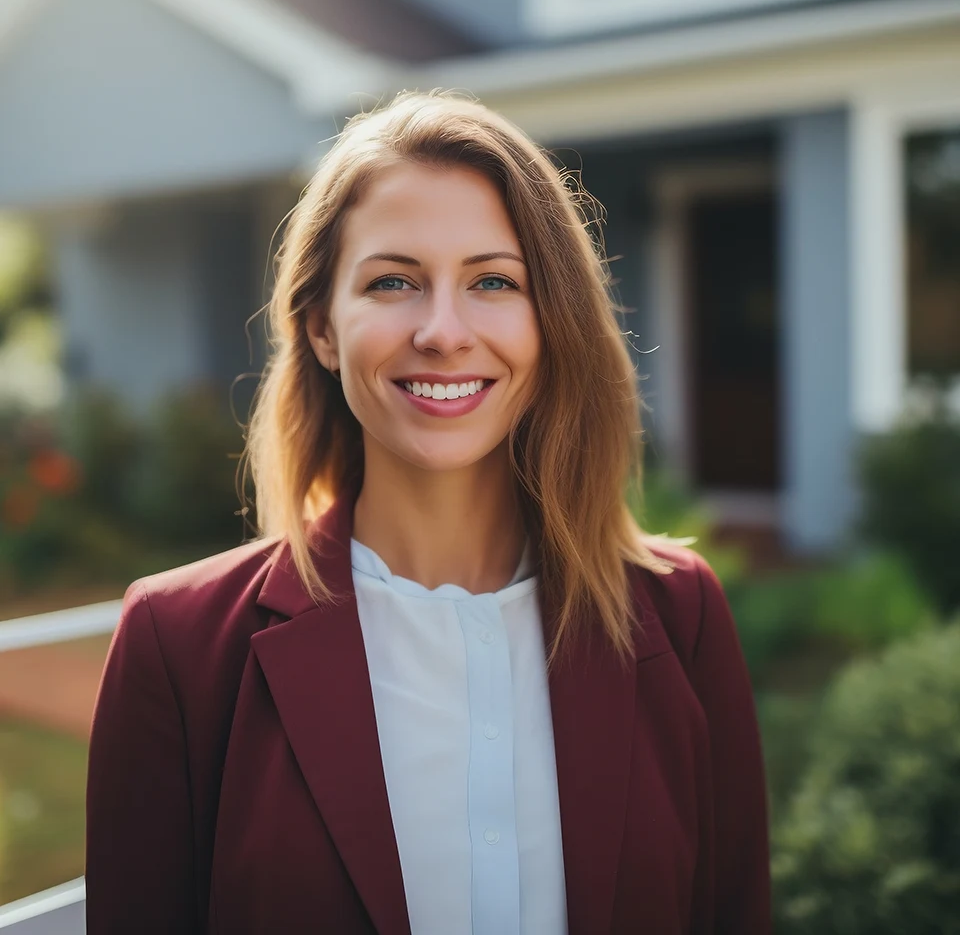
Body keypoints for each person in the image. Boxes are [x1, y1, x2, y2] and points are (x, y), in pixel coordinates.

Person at [85, 91, 770, 934]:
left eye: (493, 281)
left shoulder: (678, 613)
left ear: (551, 323)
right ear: (323, 330)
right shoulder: (178, 646)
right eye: (393, 282)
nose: (444, 331)